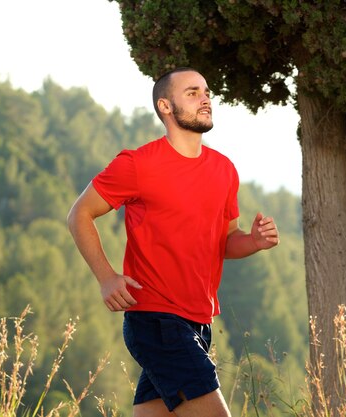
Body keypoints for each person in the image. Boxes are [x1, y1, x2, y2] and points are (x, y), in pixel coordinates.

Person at [67, 67, 280, 417]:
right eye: (193, 92)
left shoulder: (224, 170)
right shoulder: (137, 165)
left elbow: (225, 242)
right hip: (155, 321)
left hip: (199, 322)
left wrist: (254, 242)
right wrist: (107, 278)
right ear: (165, 106)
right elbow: (79, 214)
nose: (206, 98)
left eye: (207, 91)